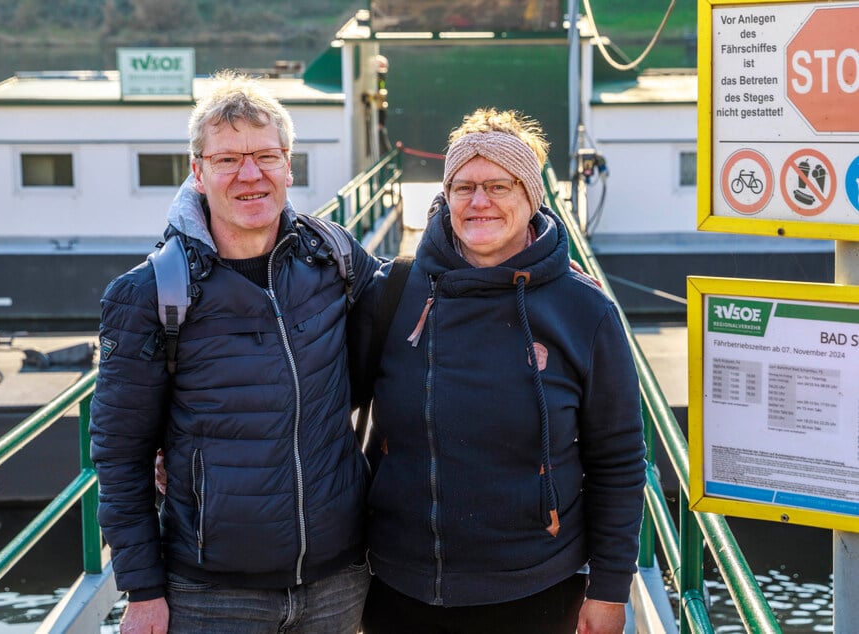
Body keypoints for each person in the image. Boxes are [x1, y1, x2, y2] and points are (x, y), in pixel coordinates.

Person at [90, 70, 377, 633]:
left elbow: (423, 300)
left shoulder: (334, 257)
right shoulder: (149, 294)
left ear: (289, 164)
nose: (251, 175)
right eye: (227, 160)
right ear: (197, 173)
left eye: (266, 156)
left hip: (338, 580)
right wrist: (143, 589)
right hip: (212, 594)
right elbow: (120, 455)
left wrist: (534, 267)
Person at [350, 108, 646, 634]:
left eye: (499, 186)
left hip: (535, 588)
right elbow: (313, 401)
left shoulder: (584, 311)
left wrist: (609, 587)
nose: (479, 202)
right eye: (463, 187)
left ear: (531, 196)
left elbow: (618, 458)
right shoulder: (394, 293)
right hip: (399, 585)